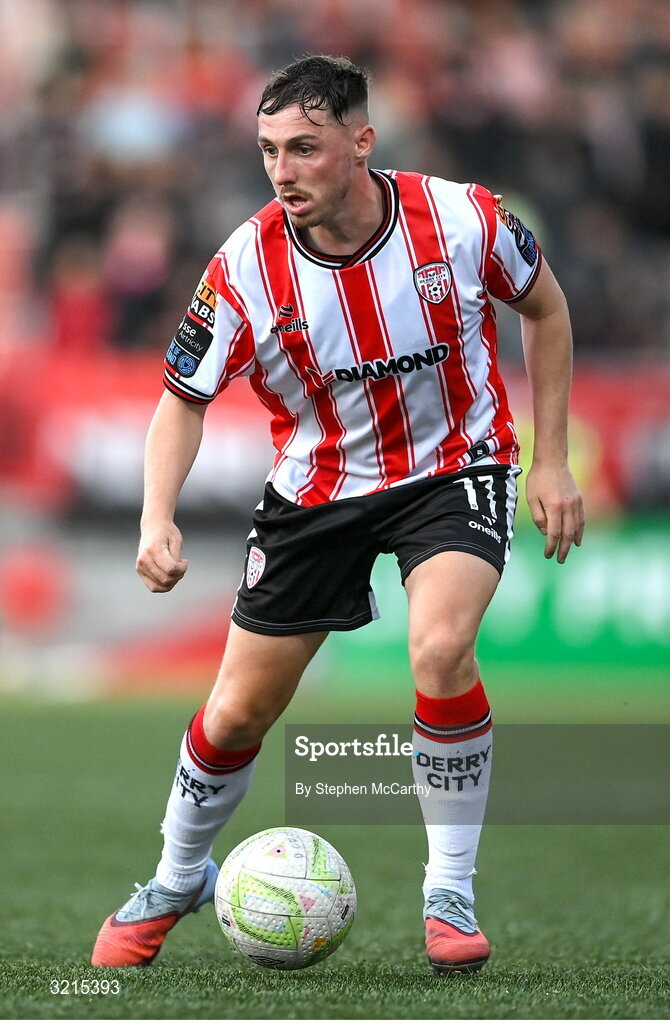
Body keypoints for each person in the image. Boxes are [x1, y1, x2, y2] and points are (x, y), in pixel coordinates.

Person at [91, 55, 584, 974]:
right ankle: (176, 875)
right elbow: (182, 398)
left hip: (454, 468)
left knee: (440, 649)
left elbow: (547, 310)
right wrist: (157, 515)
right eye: (270, 150)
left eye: (305, 148)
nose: (282, 170)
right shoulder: (243, 264)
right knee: (238, 713)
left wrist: (550, 460)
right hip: (315, 490)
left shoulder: (463, 218)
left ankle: (449, 891)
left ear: (362, 143)